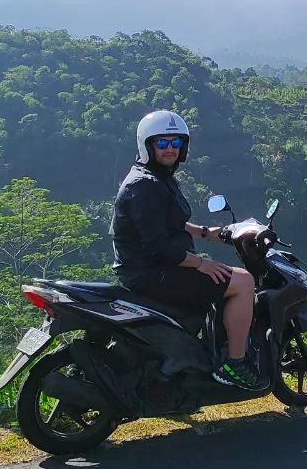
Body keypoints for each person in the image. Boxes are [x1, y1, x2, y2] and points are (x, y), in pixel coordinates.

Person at [110, 109, 266, 391]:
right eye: (162, 143)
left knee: (227, 276)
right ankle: (234, 363)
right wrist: (200, 264)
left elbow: (171, 223)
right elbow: (157, 246)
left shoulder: (155, 178)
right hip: (153, 273)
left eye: (176, 142)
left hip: (153, 269)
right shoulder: (146, 185)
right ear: (147, 145)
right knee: (243, 281)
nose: (170, 148)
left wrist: (207, 234)